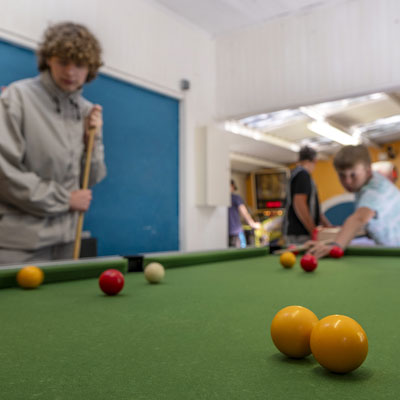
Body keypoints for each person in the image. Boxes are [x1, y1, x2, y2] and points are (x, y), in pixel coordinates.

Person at [0, 22, 106, 264]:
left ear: (90, 68)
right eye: (63, 62)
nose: (70, 72)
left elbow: (90, 178)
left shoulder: (87, 111)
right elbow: (3, 173)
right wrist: (64, 200)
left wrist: (94, 141)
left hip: (69, 241)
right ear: (48, 60)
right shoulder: (16, 98)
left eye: (79, 64)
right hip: (19, 245)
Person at [309, 145, 400, 258]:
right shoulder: (365, 185)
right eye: (342, 175)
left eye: (353, 175)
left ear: (368, 170)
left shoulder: (376, 189)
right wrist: (326, 243)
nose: (347, 181)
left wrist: (336, 246)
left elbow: (359, 218)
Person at [282, 146, 331, 245]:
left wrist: (326, 224)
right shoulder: (302, 175)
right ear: (315, 160)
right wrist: (313, 230)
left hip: (298, 233)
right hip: (300, 234)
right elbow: (299, 203)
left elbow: (310, 206)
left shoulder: (296, 174)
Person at [228, 179, 261, 248]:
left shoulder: (231, 198)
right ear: (232, 186)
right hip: (235, 232)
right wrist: (252, 224)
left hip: (228, 233)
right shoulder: (236, 198)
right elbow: (244, 212)